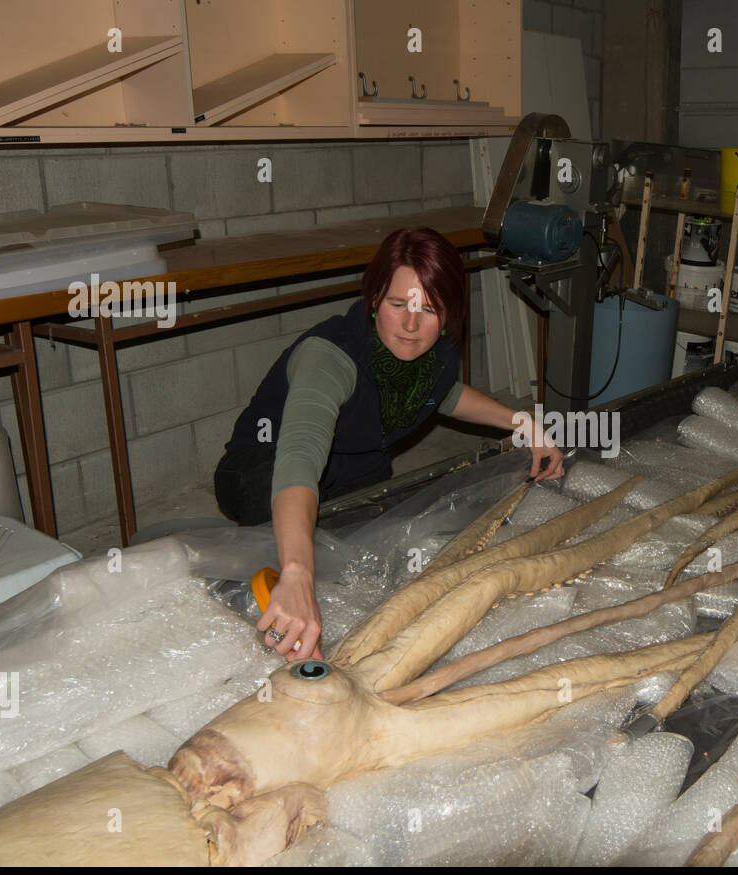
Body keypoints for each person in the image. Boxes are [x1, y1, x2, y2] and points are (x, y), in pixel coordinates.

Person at [214, 227, 564, 661]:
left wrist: (521, 422)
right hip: (263, 468)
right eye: (399, 305)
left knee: (385, 533)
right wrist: (297, 575)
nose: (413, 326)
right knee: (305, 541)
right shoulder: (331, 356)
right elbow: (300, 456)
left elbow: (446, 396)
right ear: (376, 296)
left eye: (430, 310)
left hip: (351, 470)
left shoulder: (430, 356)